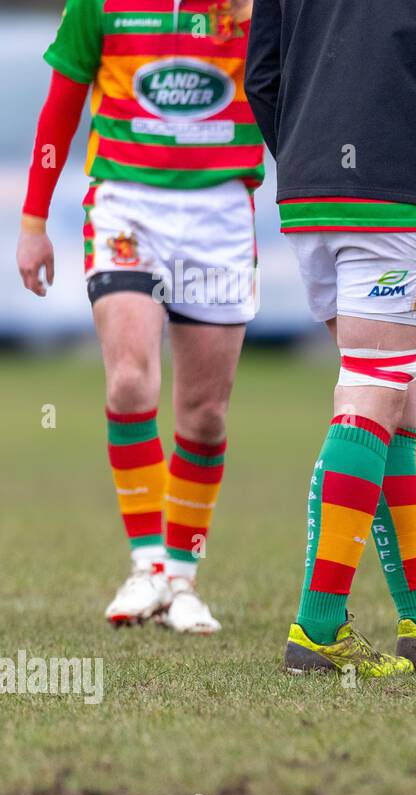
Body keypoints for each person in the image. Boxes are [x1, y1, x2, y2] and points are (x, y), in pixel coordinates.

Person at [245, 0, 416, 676]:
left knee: (401, 392)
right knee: (374, 386)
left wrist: (313, 158)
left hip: (307, 189)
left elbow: (261, 74)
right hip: (390, 188)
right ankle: (318, 626)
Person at [16, 0, 268, 634]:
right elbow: (59, 111)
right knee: (131, 379)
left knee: (205, 414)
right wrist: (33, 222)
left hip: (220, 213)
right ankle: (148, 563)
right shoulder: (98, 4)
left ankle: (181, 579)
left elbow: (297, 90)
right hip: (127, 203)